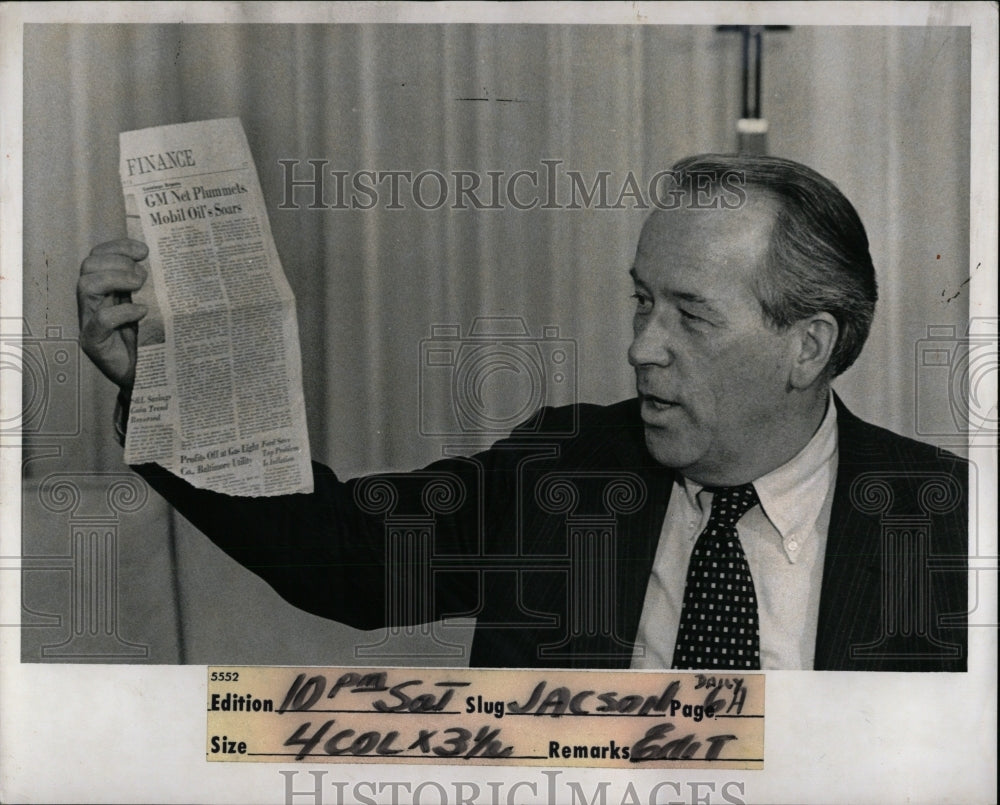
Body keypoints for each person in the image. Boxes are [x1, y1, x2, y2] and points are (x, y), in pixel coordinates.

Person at [77, 154, 968, 671]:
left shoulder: (950, 523)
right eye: (640, 302)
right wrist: (162, 385)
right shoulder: (565, 471)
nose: (643, 347)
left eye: (690, 316)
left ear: (806, 345)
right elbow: (339, 555)